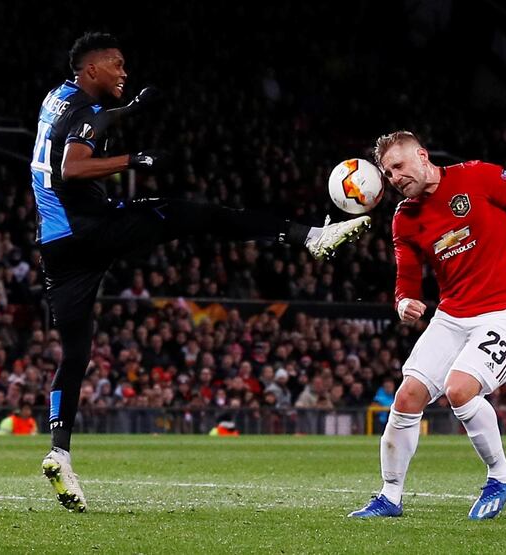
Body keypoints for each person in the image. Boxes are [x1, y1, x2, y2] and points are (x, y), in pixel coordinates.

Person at [34, 31, 371, 512]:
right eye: (117, 64)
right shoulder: (84, 112)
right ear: (92, 70)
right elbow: (72, 166)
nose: (124, 71)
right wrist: (135, 157)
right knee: (199, 215)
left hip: (57, 246)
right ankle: (310, 237)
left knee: (75, 351)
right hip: (92, 227)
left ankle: (59, 452)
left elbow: (80, 127)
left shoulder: (57, 96)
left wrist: (129, 111)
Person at [349, 131, 506, 520]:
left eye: (398, 166)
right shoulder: (404, 219)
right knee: (407, 396)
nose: (393, 177)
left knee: (459, 389)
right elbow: (407, 279)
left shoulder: (476, 176)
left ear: (422, 156)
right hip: (452, 314)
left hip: (505, 307)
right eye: (387, 173)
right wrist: (404, 302)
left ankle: (501, 475)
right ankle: (389, 497)